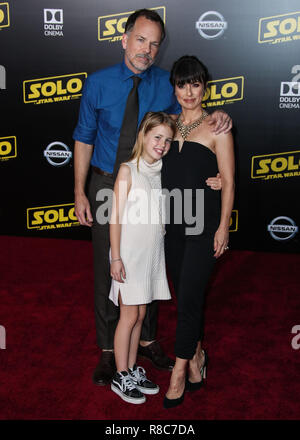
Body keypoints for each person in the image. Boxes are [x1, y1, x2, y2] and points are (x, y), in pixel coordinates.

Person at [73, 9, 232, 386]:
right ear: (124, 39)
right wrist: (79, 191)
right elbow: (83, 138)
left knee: (150, 261)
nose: (147, 49)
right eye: (141, 40)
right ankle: (109, 352)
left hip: (152, 185)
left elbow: (192, 116)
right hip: (107, 183)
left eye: (155, 43)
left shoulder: (167, 83)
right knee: (110, 267)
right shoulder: (97, 83)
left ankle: (147, 340)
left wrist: (219, 116)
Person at [161, 56, 235, 408]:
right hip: (170, 227)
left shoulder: (218, 127)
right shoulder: (164, 123)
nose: (188, 92)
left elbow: (230, 181)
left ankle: (179, 371)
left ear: (205, 86)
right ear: (174, 87)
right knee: (184, 296)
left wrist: (223, 226)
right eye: (181, 84)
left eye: (195, 84)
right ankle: (198, 355)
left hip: (204, 227)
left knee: (189, 297)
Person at [109, 112, 176, 404]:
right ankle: (120, 374)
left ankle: (133, 368)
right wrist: (116, 258)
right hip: (128, 256)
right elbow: (115, 218)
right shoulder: (128, 170)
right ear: (143, 136)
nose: (162, 144)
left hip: (150, 255)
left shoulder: (159, 170)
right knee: (128, 316)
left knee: (140, 315)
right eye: (157, 137)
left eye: (168, 140)